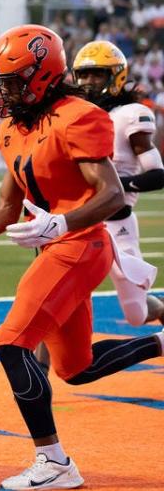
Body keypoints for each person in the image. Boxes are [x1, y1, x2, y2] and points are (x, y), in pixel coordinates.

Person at [0, 24, 164, 491]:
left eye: (12, 81)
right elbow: (7, 207)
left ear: (43, 75)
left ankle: (54, 462)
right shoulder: (12, 127)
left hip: (81, 243)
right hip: (59, 245)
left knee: (12, 342)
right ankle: (159, 343)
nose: (2, 92)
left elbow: (110, 194)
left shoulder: (79, 116)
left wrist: (63, 222)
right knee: (76, 368)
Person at [71, 40, 164, 325]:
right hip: (79, 222)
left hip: (117, 224)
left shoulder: (129, 115)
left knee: (136, 314)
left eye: (97, 74)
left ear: (116, 76)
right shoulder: (73, 114)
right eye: (84, 75)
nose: (88, 82)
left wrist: (116, 187)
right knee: (58, 293)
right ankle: (40, 366)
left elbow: (158, 174)